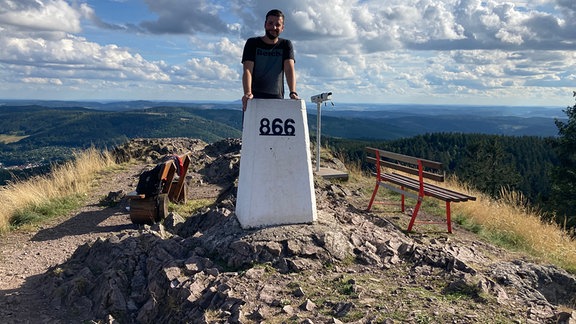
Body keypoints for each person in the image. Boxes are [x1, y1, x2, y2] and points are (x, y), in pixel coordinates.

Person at [241, 9, 300, 111]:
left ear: (282, 28)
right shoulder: (252, 43)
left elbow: (289, 69)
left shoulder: (285, 45)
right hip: (253, 98)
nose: (274, 27)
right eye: (270, 23)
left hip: (276, 98)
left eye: (278, 24)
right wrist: (247, 92)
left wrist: (293, 92)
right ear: (265, 24)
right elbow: (247, 70)